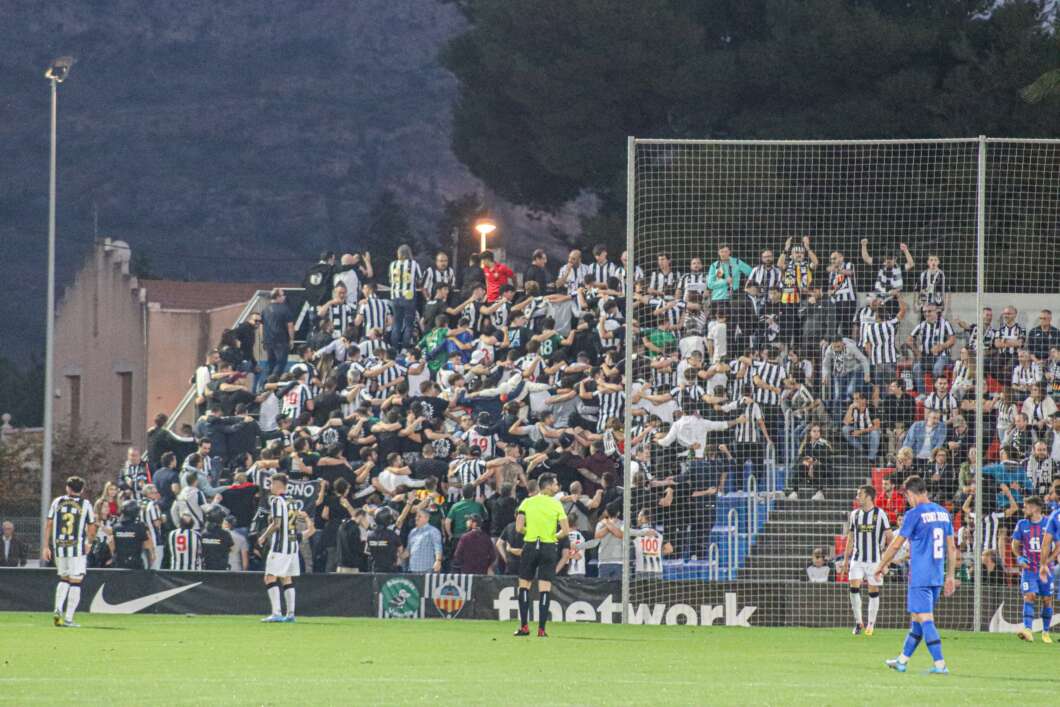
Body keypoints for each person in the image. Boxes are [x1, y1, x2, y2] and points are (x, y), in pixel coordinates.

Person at [874, 475, 955, 674]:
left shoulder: (914, 514)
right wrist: (950, 576)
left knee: (925, 618)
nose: (908, 500)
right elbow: (952, 548)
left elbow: (896, 545)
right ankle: (902, 660)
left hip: (920, 575)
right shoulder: (943, 513)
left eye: (907, 496)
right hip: (937, 575)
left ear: (911, 494)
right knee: (917, 619)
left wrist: (880, 565)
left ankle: (940, 664)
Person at [513, 472, 570, 637]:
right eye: (556, 484)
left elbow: (518, 527)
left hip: (530, 545)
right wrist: (554, 537)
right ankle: (541, 629)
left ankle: (524, 627)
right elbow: (565, 531)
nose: (557, 487)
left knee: (524, 585)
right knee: (545, 588)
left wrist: (530, 531)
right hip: (548, 547)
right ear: (549, 486)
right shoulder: (556, 504)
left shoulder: (527, 502)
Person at [257, 473, 314, 623]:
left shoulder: (277, 501)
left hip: (280, 545)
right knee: (286, 578)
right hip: (292, 545)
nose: (270, 487)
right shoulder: (292, 501)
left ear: (278, 485)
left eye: (271, 484)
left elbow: (276, 524)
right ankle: (290, 614)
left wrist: (264, 536)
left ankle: (276, 613)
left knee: (269, 577)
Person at [43, 476, 97, 628]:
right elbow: (92, 526)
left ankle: (57, 610)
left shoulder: (57, 501)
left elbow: (49, 524)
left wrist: (46, 546)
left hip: (60, 547)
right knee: (76, 581)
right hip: (76, 548)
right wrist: (89, 542)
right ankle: (68, 618)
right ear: (82, 489)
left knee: (64, 579)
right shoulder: (85, 504)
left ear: (67, 488)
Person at [840, 485, 893, 636]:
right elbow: (850, 538)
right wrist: (845, 560)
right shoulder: (855, 514)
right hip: (857, 559)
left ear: (868, 497)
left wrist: (886, 562)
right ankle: (858, 622)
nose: (857, 497)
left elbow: (890, 538)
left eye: (860, 494)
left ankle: (870, 624)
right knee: (853, 588)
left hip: (875, 560)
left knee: (873, 591)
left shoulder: (880, 514)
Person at [1011, 495, 1053, 642]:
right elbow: (1014, 544)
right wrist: (1019, 557)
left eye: (1026, 506)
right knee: (1030, 596)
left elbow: (1058, 545)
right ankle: (1028, 630)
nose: (1024, 509)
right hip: (1029, 569)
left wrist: (1049, 560)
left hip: (1046, 570)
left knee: (1047, 599)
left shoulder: (1049, 523)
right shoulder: (1022, 524)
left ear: (1035, 508)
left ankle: (1045, 632)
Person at [107, 500, 155, 570]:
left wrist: (113, 556)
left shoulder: (116, 527)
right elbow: (148, 545)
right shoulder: (140, 526)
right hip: (136, 564)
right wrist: (151, 560)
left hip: (119, 564)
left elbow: (111, 543)